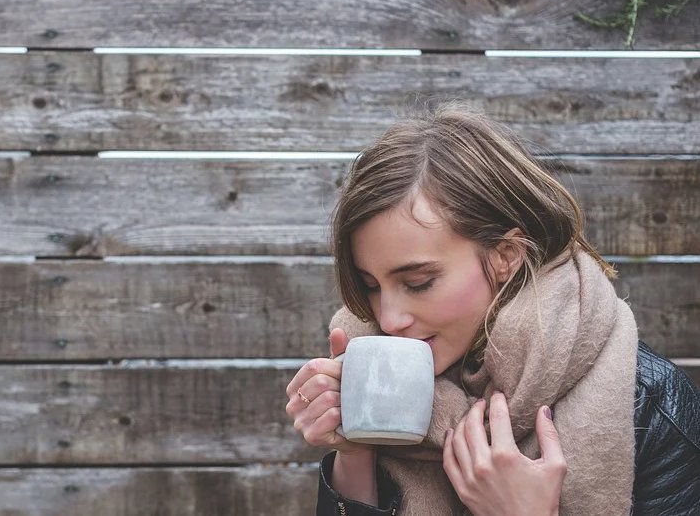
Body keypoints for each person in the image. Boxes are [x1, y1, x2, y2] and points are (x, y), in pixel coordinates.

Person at [284, 103, 700, 515]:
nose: (389, 319)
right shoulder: (372, 377)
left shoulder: (650, 403)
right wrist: (356, 451)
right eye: (371, 285)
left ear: (506, 256)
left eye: (418, 283)